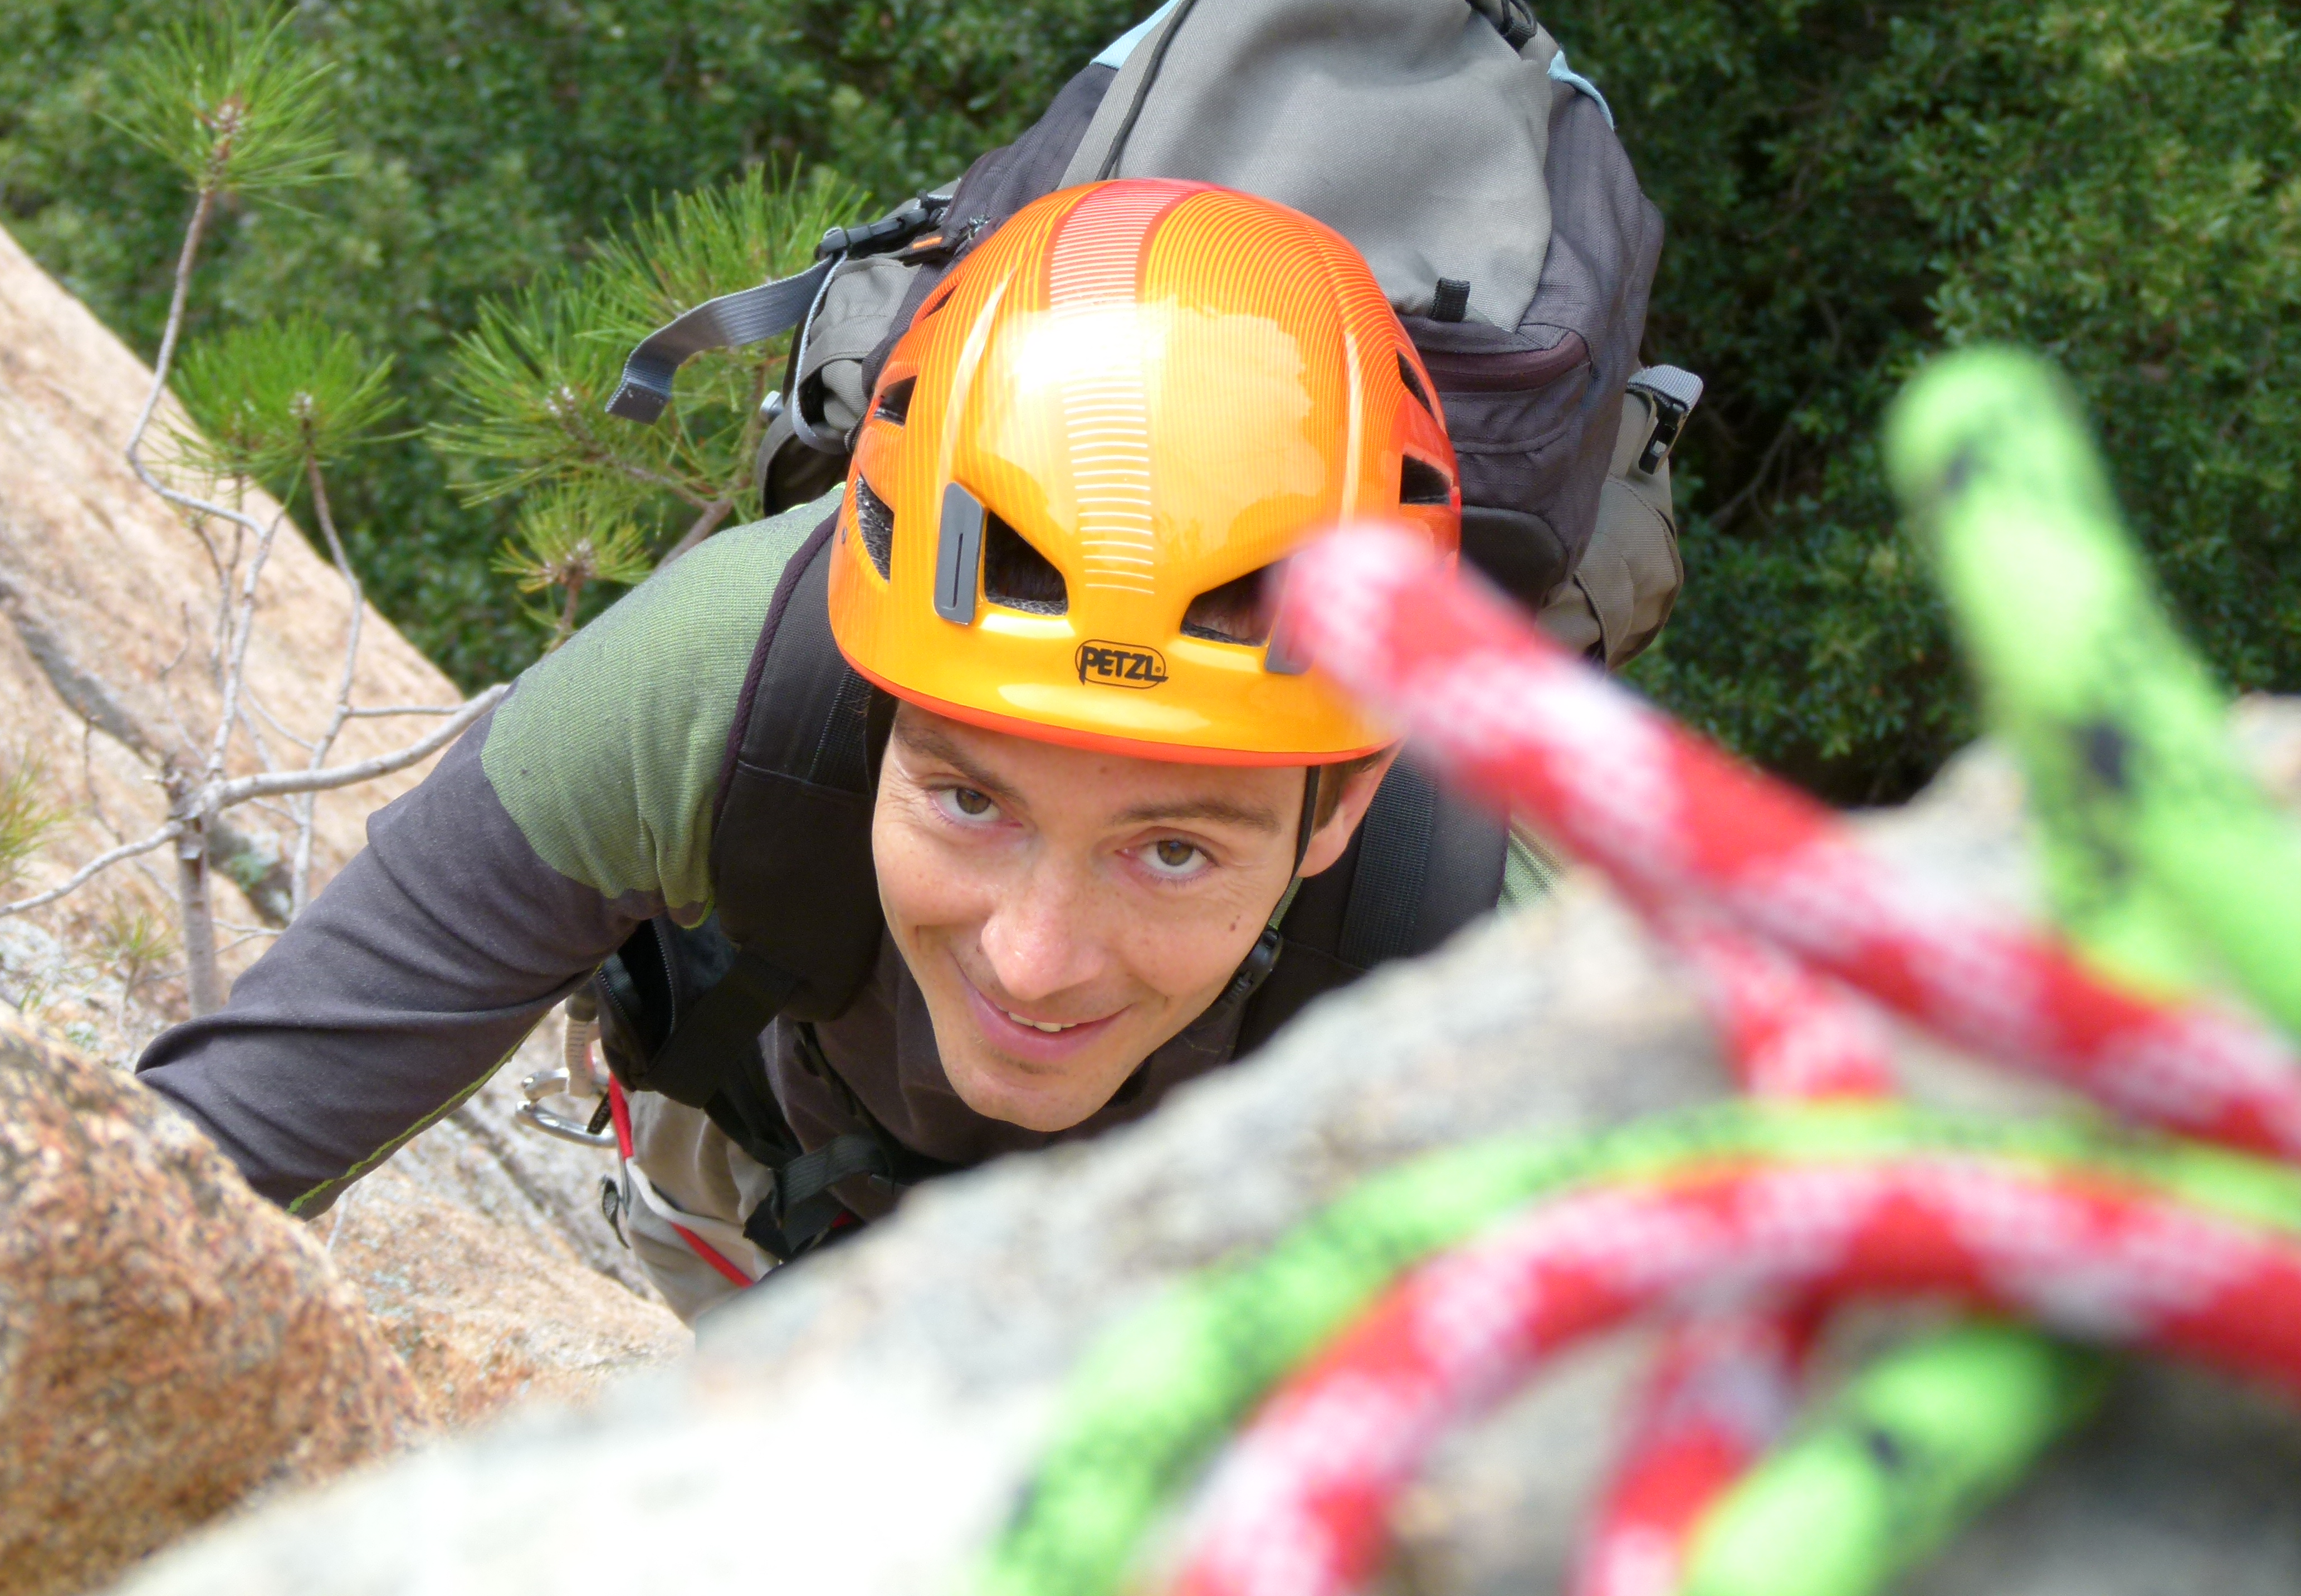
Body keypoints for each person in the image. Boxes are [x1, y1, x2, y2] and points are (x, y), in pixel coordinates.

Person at [138, 177, 1508, 1320]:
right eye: (970, 800)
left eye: (1171, 847)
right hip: (779, 1158)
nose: (1036, 962)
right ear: (870, 696)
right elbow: (220, 1147)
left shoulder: (1502, 931)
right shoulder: (713, 679)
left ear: (1343, 807)